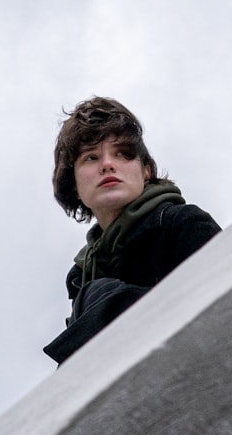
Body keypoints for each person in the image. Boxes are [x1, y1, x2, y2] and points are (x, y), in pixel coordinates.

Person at [43, 97, 221, 364]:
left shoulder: (181, 223)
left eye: (123, 153)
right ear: (74, 185)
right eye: (91, 157)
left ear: (146, 171)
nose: (107, 164)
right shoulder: (81, 276)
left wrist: (103, 300)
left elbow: (227, 309)